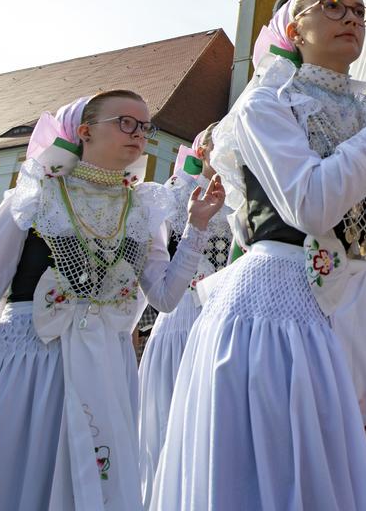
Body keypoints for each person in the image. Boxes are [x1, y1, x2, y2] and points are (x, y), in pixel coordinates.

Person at [152, 0, 366, 511]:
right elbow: (310, 205)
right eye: (333, 5)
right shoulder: (265, 103)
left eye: (362, 11)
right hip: (284, 311)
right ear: (295, 25)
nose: (352, 18)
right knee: (295, 478)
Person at [0, 91, 224, 511]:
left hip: (105, 374)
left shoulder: (143, 209)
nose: (139, 134)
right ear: (84, 131)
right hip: (27, 369)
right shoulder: (33, 197)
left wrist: (196, 227)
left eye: (144, 126)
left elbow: (167, 297)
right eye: (125, 122)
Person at [137, 123, 235, 507]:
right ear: (202, 150)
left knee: (211, 429)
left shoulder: (243, 199)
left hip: (222, 322)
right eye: (220, 143)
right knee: (167, 429)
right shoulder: (172, 196)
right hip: (180, 322)